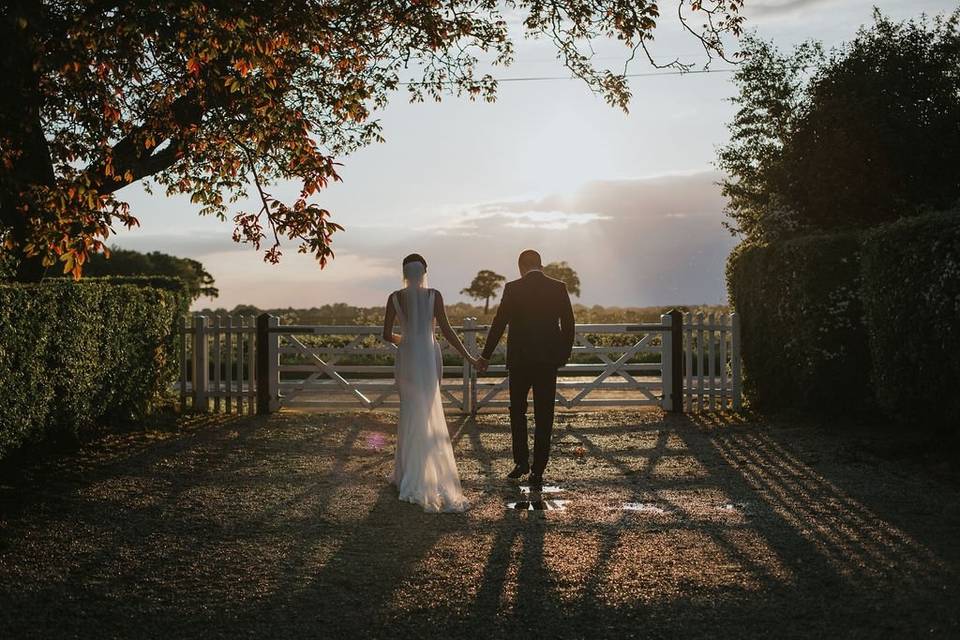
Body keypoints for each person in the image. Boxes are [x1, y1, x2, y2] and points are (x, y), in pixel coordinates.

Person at [382, 253, 475, 512]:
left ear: (404, 273)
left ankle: (405, 475)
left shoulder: (394, 298)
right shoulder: (434, 295)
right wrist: (468, 356)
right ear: (424, 273)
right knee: (428, 410)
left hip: (408, 357)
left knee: (409, 410)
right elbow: (446, 330)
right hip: (428, 356)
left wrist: (407, 341)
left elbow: (386, 334)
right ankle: (422, 472)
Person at [476, 249, 575, 491]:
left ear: (521, 266)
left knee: (517, 412)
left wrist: (485, 356)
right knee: (545, 415)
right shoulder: (558, 287)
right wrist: (561, 356)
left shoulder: (513, 288)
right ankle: (538, 470)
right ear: (540, 265)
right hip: (547, 363)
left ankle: (521, 463)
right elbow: (569, 324)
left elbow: (499, 323)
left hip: (519, 361)